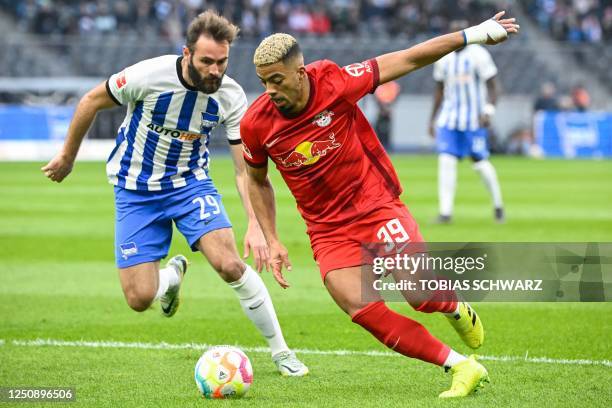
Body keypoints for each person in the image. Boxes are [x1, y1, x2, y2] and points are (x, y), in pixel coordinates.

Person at [241, 12, 519, 398]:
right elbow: (257, 180)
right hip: (327, 228)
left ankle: (454, 306)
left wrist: (472, 34)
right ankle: (460, 366)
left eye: (276, 79)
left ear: (300, 72)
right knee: (358, 306)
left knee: (420, 296)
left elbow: (408, 58)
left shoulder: (334, 82)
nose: (269, 90)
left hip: (375, 205)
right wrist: (271, 238)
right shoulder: (256, 124)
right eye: (263, 82)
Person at [41, 10, 308, 376]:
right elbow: (90, 100)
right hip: (135, 188)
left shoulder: (230, 97)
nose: (216, 70)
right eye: (207, 61)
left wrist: (255, 223)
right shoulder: (149, 76)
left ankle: (282, 353)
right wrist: (67, 157)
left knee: (230, 263)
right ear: (187, 54)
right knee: (139, 299)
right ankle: (171, 278)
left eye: (222, 61)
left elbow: (243, 169)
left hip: (189, 183)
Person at [428, 20, 505, 224]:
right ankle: (445, 212)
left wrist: (489, 110)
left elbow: (494, 86)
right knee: (446, 162)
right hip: (449, 119)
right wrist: (432, 119)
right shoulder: (442, 57)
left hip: (473, 120)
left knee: (480, 164)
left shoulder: (479, 54)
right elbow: (438, 90)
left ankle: (498, 204)